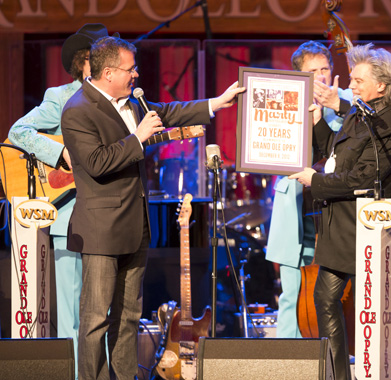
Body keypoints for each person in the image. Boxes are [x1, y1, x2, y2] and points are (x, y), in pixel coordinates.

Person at [61, 36, 244, 380]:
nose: (136, 75)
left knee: (129, 315)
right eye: (130, 69)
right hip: (101, 231)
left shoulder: (132, 102)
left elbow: (170, 112)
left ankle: (125, 376)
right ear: (109, 72)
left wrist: (217, 103)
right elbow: (97, 163)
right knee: (95, 320)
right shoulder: (77, 109)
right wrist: (139, 137)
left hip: (136, 225)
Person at [290, 44, 391, 380]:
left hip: (365, 226)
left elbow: (361, 177)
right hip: (339, 223)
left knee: (367, 307)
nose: (351, 86)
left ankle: (375, 371)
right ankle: (338, 374)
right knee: (324, 298)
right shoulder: (359, 112)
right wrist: (317, 124)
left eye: (358, 80)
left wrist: (315, 181)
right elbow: (336, 153)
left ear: (381, 86)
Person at [8, 23, 115, 379]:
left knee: (104, 310)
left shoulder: (120, 102)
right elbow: (18, 131)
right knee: (71, 310)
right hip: (68, 211)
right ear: (85, 62)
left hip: (107, 216)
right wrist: (59, 151)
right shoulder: (60, 96)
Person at [265, 41, 352, 338]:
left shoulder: (347, 102)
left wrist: (328, 110)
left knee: (330, 293)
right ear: (299, 76)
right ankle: (287, 360)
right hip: (296, 205)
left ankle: (328, 356)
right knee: (291, 291)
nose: (321, 76)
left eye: (325, 68)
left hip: (333, 208)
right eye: (312, 71)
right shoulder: (284, 103)